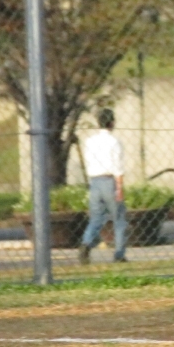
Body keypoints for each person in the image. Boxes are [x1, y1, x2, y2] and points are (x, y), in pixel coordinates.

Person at [79, 108, 127, 265]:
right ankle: (119, 254)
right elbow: (118, 167)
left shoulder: (90, 141)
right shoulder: (114, 141)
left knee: (96, 218)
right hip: (109, 181)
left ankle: (86, 243)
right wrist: (119, 188)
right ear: (112, 122)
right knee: (118, 219)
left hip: (94, 182)